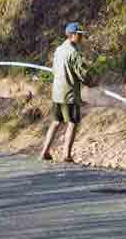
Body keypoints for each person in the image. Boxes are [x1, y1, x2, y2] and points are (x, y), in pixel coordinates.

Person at [40, 22, 95, 163]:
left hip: (57, 93)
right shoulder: (74, 53)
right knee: (72, 122)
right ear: (72, 35)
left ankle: (44, 151)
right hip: (69, 94)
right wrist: (92, 82)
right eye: (80, 34)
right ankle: (67, 155)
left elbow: (53, 70)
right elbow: (82, 74)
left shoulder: (59, 50)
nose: (82, 37)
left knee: (56, 122)